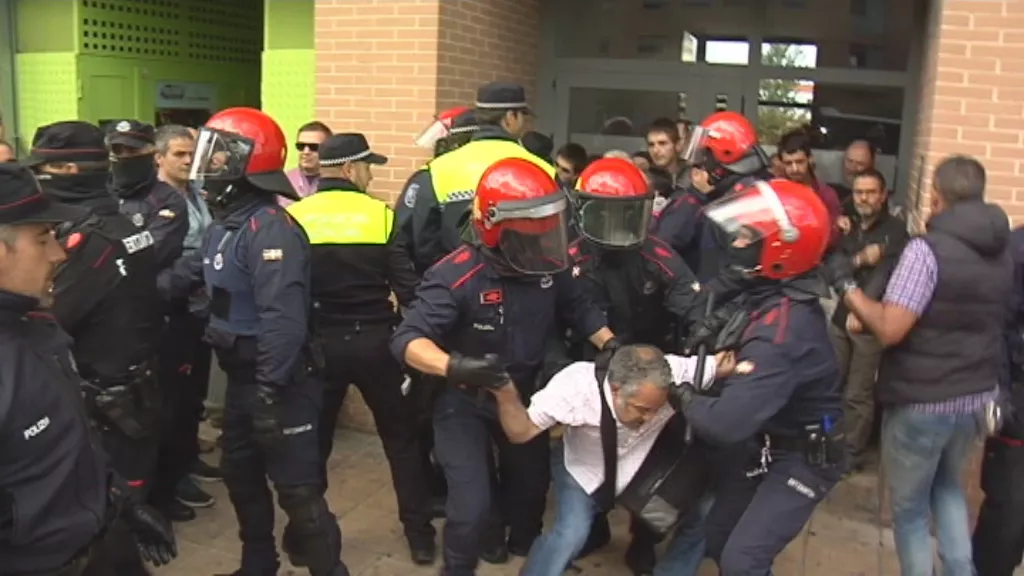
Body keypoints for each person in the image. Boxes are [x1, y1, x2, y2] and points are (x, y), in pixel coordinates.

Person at [390, 157, 616, 575]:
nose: (548, 243)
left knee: (531, 488)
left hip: (525, 394)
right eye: (536, 237)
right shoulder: (457, 275)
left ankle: (523, 550)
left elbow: (580, 309)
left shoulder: (550, 265)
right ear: (496, 229)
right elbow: (407, 340)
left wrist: (612, 345)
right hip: (465, 398)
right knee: (469, 506)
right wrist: (455, 366)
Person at [826, 155, 1011, 576]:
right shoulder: (1002, 252)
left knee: (909, 511)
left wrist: (847, 287)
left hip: (922, 403)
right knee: (947, 489)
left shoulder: (926, 251)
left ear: (936, 195)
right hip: (973, 399)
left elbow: (890, 328)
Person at [183, 107, 348, 576]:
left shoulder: (271, 228)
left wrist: (270, 392)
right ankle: (258, 563)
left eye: (219, 158)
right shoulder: (224, 225)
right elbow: (209, 288)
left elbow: (284, 321)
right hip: (241, 380)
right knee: (241, 475)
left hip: (280, 384)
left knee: (298, 490)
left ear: (248, 166)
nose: (209, 168)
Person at [0, 162, 177, 575]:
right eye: (42, 240)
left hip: (100, 545)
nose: (59, 255)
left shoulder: (37, 325)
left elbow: (73, 437)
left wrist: (121, 502)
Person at [672, 178, 845, 574]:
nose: (735, 244)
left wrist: (680, 396)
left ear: (781, 251)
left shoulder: (782, 334)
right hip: (766, 442)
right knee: (719, 535)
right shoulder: (770, 292)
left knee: (742, 559)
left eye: (747, 237)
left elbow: (726, 423)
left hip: (804, 456)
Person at [286, 133, 436, 565]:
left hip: (320, 346)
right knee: (402, 441)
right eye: (368, 165)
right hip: (376, 342)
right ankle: (420, 537)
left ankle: (304, 540)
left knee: (314, 446)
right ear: (351, 169)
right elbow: (408, 289)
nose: (371, 173)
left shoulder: (295, 217)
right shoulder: (382, 216)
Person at [556, 157, 704, 568]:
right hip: (593, 375)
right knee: (595, 459)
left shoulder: (656, 253)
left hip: (650, 377)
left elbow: (692, 303)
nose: (618, 223)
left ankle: (644, 537)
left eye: (628, 213)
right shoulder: (568, 258)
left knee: (658, 464)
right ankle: (596, 526)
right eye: (609, 213)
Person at [492, 344, 722, 576]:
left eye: (657, 409)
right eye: (642, 409)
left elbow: (726, 364)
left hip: (643, 470)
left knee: (707, 511)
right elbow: (520, 432)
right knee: (571, 534)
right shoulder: (575, 388)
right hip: (583, 470)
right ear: (615, 389)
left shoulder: (679, 372)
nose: (650, 417)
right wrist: (506, 393)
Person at [394, 82, 550, 275]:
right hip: (523, 289)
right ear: (510, 117)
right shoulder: (542, 170)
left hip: (454, 290)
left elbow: (408, 241)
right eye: (522, 116)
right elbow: (558, 241)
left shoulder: (436, 171)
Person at [828, 168, 908, 471]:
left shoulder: (896, 231)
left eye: (871, 192)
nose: (864, 198)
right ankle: (830, 445)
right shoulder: (847, 226)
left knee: (858, 394)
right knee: (832, 384)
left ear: (884, 195)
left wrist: (862, 311)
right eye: (859, 192)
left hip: (871, 323)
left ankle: (850, 455)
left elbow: (888, 275)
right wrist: (860, 259)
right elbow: (833, 269)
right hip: (841, 319)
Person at [653, 111, 772, 281]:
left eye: (705, 155)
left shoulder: (745, 198)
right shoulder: (732, 191)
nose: (700, 162)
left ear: (724, 155)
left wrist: (696, 196)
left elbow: (737, 272)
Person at [972, 225, 1024, 576]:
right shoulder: (1019, 248)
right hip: (1019, 405)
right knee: (1008, 513)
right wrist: (999, 391)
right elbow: (999, 323)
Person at [106, 119, 189, 271]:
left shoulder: (168, 200)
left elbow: (151, 253)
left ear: (152, 153)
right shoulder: (101, 193)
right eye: (118, 151)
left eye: (132, 151)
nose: (124, 157)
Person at [281, 120, 332, 207]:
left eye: (314, 147)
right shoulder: (284, 182)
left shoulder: (334, 183)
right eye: (301, 146)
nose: (306, 152)